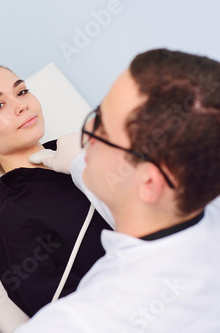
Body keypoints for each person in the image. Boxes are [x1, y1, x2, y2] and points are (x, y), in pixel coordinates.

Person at [20, 48, 220, 332]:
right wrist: (79, 164)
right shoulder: (195, 199)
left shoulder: (80, 322)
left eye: (101, 129)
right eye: (98, 110)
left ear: (150, 183)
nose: (87, 127)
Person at [0, 63, 111, 316]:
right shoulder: (14, 222)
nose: (21, 105)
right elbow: (66, 321)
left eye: (22, 91)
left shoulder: (90, 153)